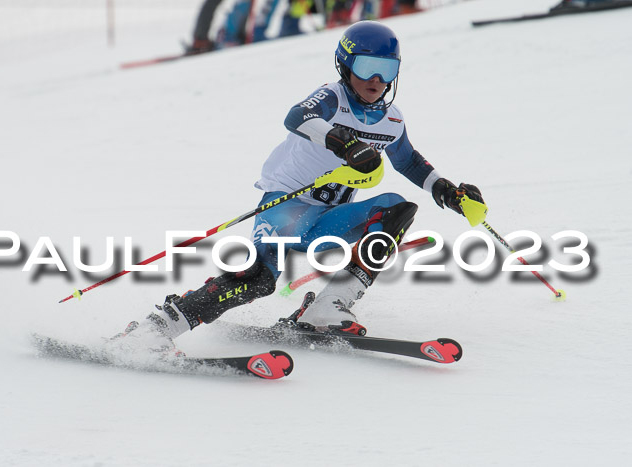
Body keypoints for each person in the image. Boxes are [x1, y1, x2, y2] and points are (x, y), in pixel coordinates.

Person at [122, 20, 484, 349]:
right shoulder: (331, 97)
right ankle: (154, 330)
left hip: (328, 219)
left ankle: (327, 308)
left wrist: (448, 192)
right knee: (260, 278)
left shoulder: (390, 119)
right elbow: (297, 116)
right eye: (366, 68)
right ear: (345, 66)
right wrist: (345, 143)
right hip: (286, 206)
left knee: (397, 209)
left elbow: (407, 161)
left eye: (387, 70)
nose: (377, 80)